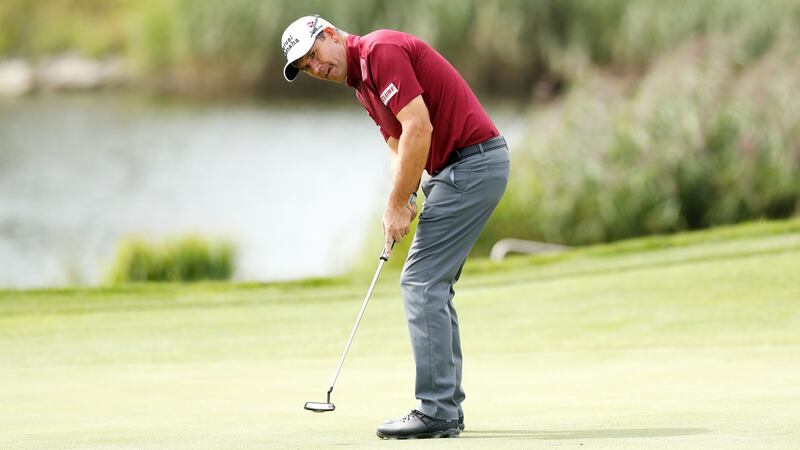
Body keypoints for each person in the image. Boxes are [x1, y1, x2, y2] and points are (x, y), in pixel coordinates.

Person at [281, 15, 510, 440]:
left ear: (331, 34)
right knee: (431, 284)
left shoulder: (381, 51)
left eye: (314, 54)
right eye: (307, 67)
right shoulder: (363, 85)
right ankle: (447, 408)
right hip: (457, 170)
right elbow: (398, 144)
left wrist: (396, 203)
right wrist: (401, 199)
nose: (316, 67)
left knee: (421, 282)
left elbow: (419, 127)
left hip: (472, 163)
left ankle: (437, 410)